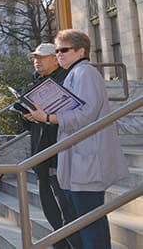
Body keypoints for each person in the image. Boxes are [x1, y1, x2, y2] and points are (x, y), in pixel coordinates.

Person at [26, 30, 129, 249]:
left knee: (90, 220)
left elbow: (86, 113)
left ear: (81, 51)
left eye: (64, 50)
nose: (59, 54)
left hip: (87, 158)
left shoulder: (85, 73)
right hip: (78, 157)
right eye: (57, 50)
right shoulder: (75, 73)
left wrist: (48, 117)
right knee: (83, 220)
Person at [20, 43, 79, 249]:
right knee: (49, 206)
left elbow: (67, 117)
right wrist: (26, 115)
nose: (37, 61)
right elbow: (29, 126)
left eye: (42, 57)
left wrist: (45, 116)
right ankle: (60, 244)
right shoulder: (36, 82)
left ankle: (71, 245)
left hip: (57, 153)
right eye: (35, 57)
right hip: (40, 153)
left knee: (65, 208)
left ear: (56, 58)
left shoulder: (65, 81)